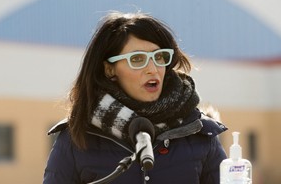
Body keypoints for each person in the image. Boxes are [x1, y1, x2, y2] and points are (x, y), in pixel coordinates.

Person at [43, 11, 228, 184]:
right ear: (110, 69)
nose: (152, 69)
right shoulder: (77, 136)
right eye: (137, 59)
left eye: (159, 57)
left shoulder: (199, 132)